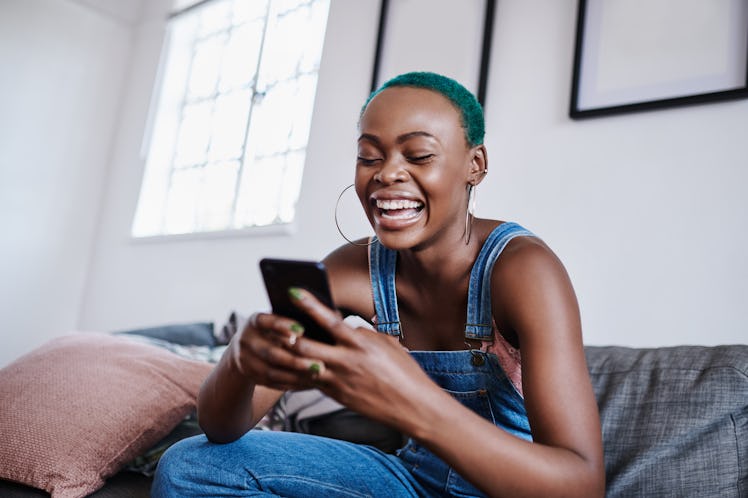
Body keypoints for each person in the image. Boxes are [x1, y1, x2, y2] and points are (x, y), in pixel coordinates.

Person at [152, 71, 605, 497]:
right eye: (369, 156)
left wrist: (413, 403)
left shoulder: (524, 270)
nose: (386, 173)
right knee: (190, 465)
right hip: (410, 481)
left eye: (419, 155)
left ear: (475, 165)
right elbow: (220, 428)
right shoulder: (352, 271)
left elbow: (583, 484)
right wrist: (239, 362)